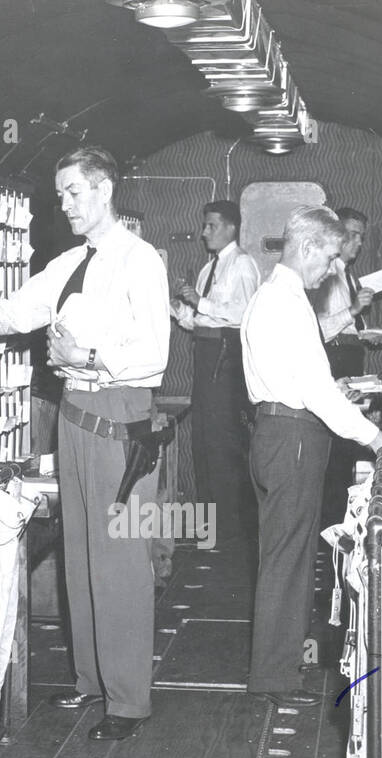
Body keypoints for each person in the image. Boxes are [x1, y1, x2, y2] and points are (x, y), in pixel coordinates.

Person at [0, 146, 169, 741]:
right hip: (75, 416)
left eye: (74, 192)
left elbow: (156, 352)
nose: (65, 204)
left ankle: (128, 700)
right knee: (81, 552)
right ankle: (91, 681)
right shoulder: (68, 265)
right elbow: (8, 314)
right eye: (60, 194)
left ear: (105, 190)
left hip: (120, 417)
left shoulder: (141, 263)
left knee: (120, 559)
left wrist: (87, 356)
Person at [242, 206, 382, 708]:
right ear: (308, 247)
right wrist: (374, 436)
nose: (332, 268)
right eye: (331, 256)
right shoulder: (288, 304)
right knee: (287, 560)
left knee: (283, 555)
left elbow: (301, 380)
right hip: (293, 436)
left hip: (276, 431)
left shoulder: (274, 298)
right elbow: (312, 389)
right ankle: (274, 677)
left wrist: (331, 396)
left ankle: (278, 667)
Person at [171, 200, 261, 545]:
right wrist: (179, 310)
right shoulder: (209, 268)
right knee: (204, 440)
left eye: (211, 226)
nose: (205, 232)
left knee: (225, 441)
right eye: (205, 226)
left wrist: (200, 301)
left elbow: (244, 315)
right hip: (206, 353)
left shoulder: (243, 264)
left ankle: (233, 529)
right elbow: (200, 321)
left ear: (231, 228)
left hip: (228, 357)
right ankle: (210, 528)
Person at [313, 206, 374, 380]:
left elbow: (348, 325)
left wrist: (367, 334)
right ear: (337, 234)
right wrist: (353, 310)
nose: (360, 242)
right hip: (335, 356)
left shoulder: (347, 275)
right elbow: (319, 330)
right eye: (354, 235)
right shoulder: (324, 274)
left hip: (349, 355)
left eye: (361, 237)